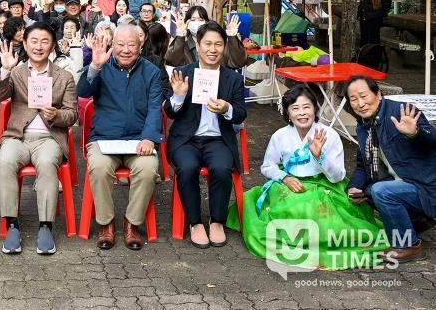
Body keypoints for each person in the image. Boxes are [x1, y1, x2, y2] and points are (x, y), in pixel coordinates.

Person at [227, 84, 387, 269]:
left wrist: (320, 157)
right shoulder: (280, 136)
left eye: (306, 107)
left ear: (315, 109)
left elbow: (337, 176)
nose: (301, 113)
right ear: (287, 112)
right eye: (295, 108)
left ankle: (318, 253)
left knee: (314, 212)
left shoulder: (330, 135)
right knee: (287, 209)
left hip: (324, 185)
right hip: (289, 183)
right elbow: (267, 166)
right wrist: (284, 178)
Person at [0, 23, 78, 254]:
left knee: (48, 163)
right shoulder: (17, 72)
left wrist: (56, 114)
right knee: (5, 162)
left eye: (44, 42)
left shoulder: (64, 76)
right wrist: (5, 71)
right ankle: (11, 225)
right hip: (18, 137)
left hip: (48, 138)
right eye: (34, 41)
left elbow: (72, 114)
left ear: (52, 46)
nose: (38, 46)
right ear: (26, 43)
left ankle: (45, 226)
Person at [77, 24, 163, 250]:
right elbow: (83, 93)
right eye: (120, 44)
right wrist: (94, 66)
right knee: (99, 167)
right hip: (105, 138)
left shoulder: (152, 72)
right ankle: (106, 224)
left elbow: (156, 107)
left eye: (131, 45)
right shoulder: (101, 66)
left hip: (138, 140)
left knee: (147, 168)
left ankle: (132, 223)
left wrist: (149, 138)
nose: (126, 50)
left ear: (141, 45)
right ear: (112, 44)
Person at [165, 21, 246, 249]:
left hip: (218, 139)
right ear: (198, 46)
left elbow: (240, 113)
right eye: (208, 44)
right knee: (188, 167)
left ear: (224, 47)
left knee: (222, 168)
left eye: (218, 44)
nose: (213, 49)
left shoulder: (233, 78)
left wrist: (227, 108)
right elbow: (169, 111)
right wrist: (179, 97)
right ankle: (195, 223)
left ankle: (217, 220)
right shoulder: (183, 74)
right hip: (186, 140)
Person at [345, 75, 436, 263]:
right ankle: (415, 223)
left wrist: (415, 133)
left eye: (364, 96)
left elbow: (432, 140)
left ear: (378, 94)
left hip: (425, 187)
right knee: (368, 192)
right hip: (401, 184)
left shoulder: (401, 112)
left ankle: (408, 244)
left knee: (380, 191)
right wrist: (354, 187)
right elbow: (363, 165)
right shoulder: (364, 127)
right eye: (353, 99)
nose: (360, 103)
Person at [165, 7, 247, 69]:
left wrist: (232, 36)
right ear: (187, 23)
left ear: (206, 22)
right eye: (193, 20)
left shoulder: (219, 43)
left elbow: (239, 62)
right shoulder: (183, 45)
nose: (196, 23)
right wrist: (180, 35)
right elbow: (172, 61)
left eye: (200, 19)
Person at [0, 16, 27, 80]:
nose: (23, 32)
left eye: (24, 29)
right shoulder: (2, 48)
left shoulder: (29, 46)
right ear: (11, 31)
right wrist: (6, 70)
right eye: (19, 30)